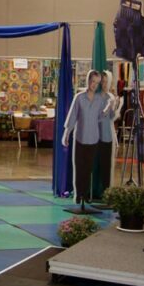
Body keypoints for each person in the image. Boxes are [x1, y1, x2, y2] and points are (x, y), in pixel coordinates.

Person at [62, 70, 106, 208]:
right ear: (88, 80)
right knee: (79, 167)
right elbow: (72, 116)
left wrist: (110, 108)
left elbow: (100, 117)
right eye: (93, 81)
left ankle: (85, 194)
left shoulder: (100, 99)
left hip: (93, 138)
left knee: (88, 169)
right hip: (80, 137)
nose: (94, 85)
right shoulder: (79, 97)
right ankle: (78, 194)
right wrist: (66, 133)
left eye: (97, 83)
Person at [95, 70, 123, 200]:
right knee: (96, 165)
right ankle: (94, 191)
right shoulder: (96, 96)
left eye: (107, 82)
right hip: (95, 136)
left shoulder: (111, 97)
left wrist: (117, 107)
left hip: (107, 135)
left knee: (107, 165)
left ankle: (106, 192)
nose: (105, 84)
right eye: (103, 81)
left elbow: (112, 117)